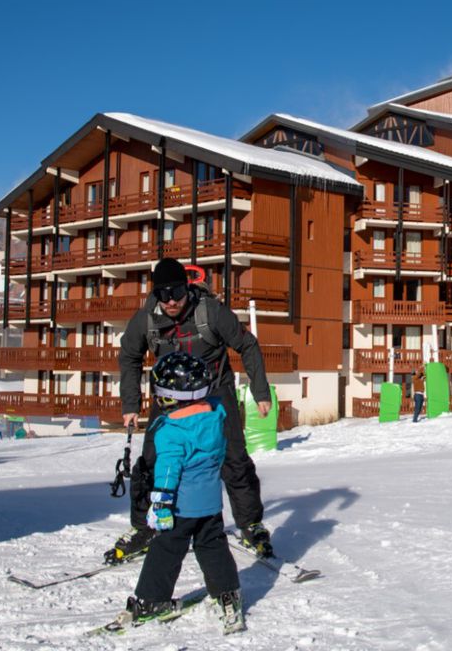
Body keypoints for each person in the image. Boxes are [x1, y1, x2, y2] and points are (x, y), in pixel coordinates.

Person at [108, 257, 274, 565]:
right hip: (169, 396)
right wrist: (131, 404)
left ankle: (251, 524)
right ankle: (144, 527)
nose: (171, 301)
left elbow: (247, 345)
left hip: (213, 392)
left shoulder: (210, 312)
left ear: (187, 287)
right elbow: (129, 356)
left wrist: (260, 391)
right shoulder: (146, 318)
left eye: (177, 292)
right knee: (151, 462)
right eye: (163, 294)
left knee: (234, 458)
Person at [117, 352, 245, 633]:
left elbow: (167, 470)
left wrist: (160, 504)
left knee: (166, 549)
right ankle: (227, 595)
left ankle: (152, 600)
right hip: (210, 503)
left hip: (180, 506)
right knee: (212, 546)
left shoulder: (171, 430)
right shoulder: (215, 416)